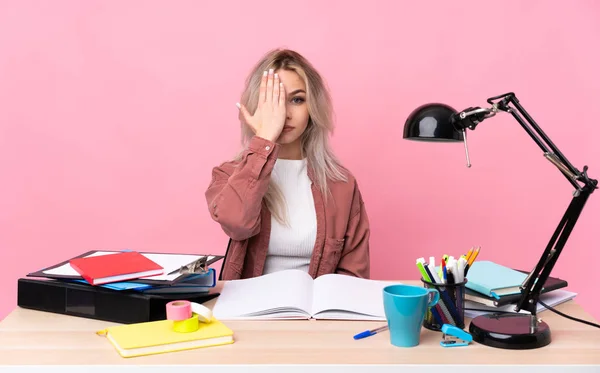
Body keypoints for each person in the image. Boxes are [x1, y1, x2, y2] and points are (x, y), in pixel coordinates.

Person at [205, 48, 370, 280]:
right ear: (256, 107)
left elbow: (354, 275)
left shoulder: (341, 184)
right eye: (274, 102)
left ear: (312, 108)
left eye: (297, 100)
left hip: (318, 314)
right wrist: (263, 140)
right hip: (249, 311)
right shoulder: (229, 174)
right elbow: (236, 224)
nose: (284, 113)